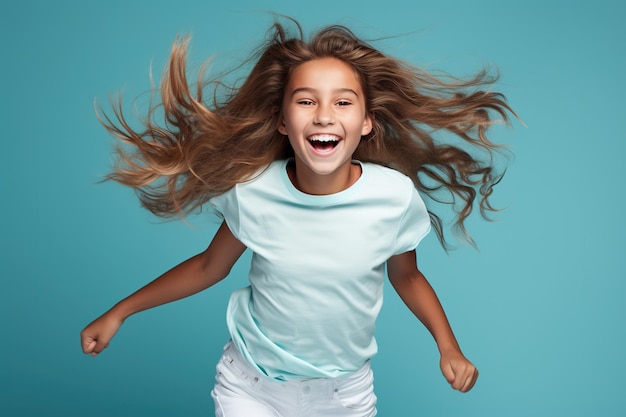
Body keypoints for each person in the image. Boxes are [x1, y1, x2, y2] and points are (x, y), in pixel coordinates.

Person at [81, 18, 515, 417]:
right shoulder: (254, 190)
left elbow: (407, 277)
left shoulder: (393, 197)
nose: (324, 115)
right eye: (306, 101)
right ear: (283, 122)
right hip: (250, 386)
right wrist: (120, 312)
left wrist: (448, 347)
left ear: (366, 122)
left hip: (343, 396)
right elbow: (208, 266)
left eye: (342, 102)